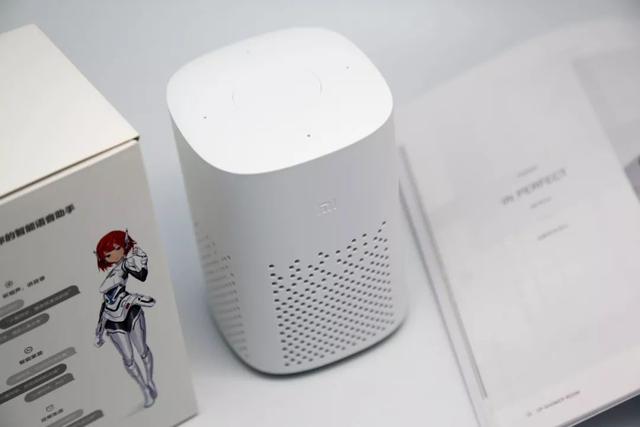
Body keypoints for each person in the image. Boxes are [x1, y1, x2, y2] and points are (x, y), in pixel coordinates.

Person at [94, 230, 157, 408]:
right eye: (107, 253)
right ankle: (144, 389)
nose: (110, 254)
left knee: (142, 350)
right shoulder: (111, 273)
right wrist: (99, 330)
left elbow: (142, 275)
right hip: (112, 318)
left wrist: (143, 260)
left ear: (123, 246)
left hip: (129, 309)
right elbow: (105, 302)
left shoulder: (126, 264)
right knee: (128, 359)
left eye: (115, 248)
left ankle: (150, 380)